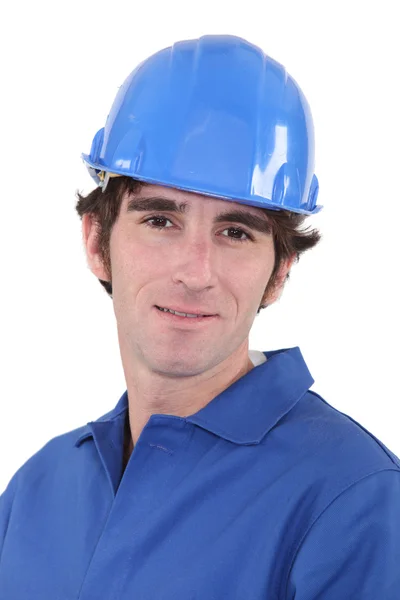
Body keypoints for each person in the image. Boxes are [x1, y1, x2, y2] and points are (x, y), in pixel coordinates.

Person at [0, 34, 399, 600]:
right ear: (96, 241)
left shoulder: (354, 500)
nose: (196, 270)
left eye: (235, 232)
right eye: (160, 220)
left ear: (280, 271)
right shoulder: (38, 490)